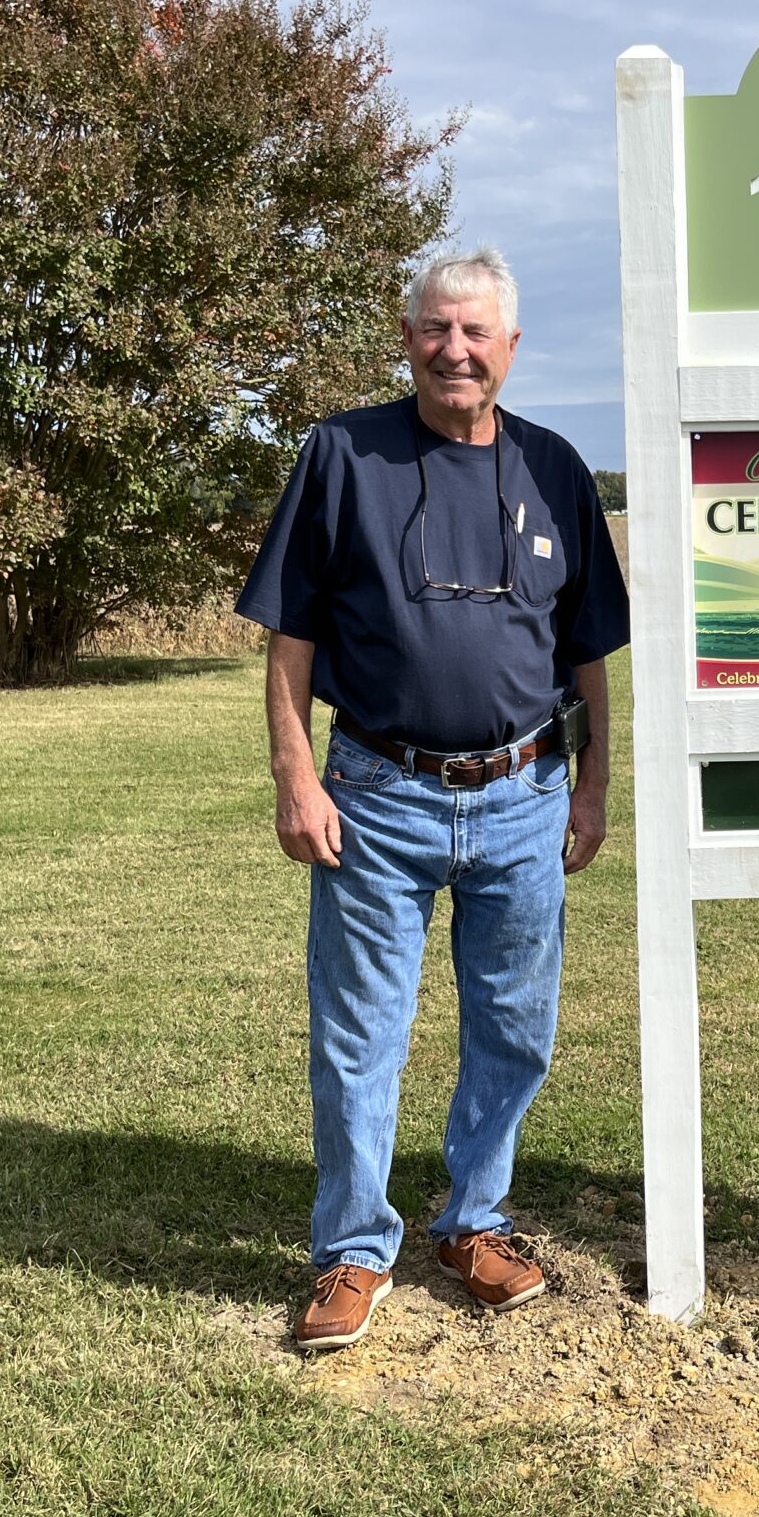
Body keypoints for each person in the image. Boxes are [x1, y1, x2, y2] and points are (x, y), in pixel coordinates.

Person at [236, 248, 628, 1352]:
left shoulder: (555, 468)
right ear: (406, 337)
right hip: (375, 794)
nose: (454, 350)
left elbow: (588, 650)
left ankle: (476, 1223)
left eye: (476, 333)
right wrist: (295, 775)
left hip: (522, 796)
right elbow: (291, 638)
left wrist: (593, 787)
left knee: (514, 1027)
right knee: (360, 1034)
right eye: (434, 329)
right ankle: (354, 1250)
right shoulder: (342, 454)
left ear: (510, 349)